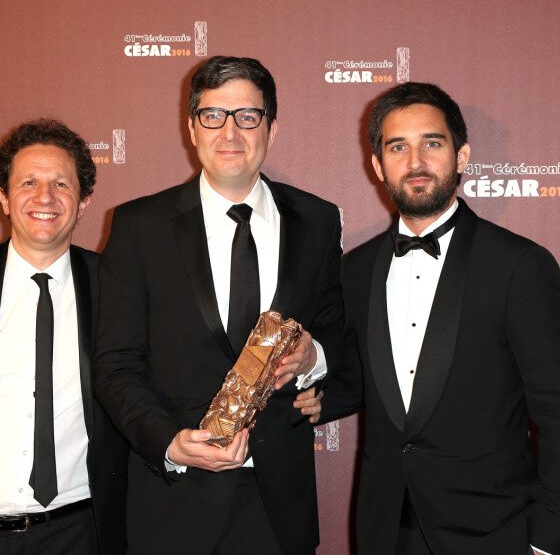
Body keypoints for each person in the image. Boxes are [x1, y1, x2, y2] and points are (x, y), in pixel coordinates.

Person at [93, 56, 343, 555]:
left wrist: (316, 359)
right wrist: (168, 442)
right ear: (191, 126)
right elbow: (115, 365)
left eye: (248, 116)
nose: (230, 130)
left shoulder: (317, 220)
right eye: (213, 115)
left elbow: (340, 334)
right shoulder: (139, 225)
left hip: (281, 508)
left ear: (271, 127)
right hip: (175, 501)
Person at [318, 82, 560, 555]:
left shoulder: (519, 265)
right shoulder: (354, 269)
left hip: (494, 535)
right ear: (377, 165)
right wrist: (300, 393)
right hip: (385, 533)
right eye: (397, 146)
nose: (415, 161)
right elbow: (357, 380)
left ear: (461, 157)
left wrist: (550, 539)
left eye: (431, 143)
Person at [0, 119, 127, 554]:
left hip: (81, 532)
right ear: (3, 197)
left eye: (61, 184)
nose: (44, 198)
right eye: (28, 182)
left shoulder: (118, 288)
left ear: (84, 200)